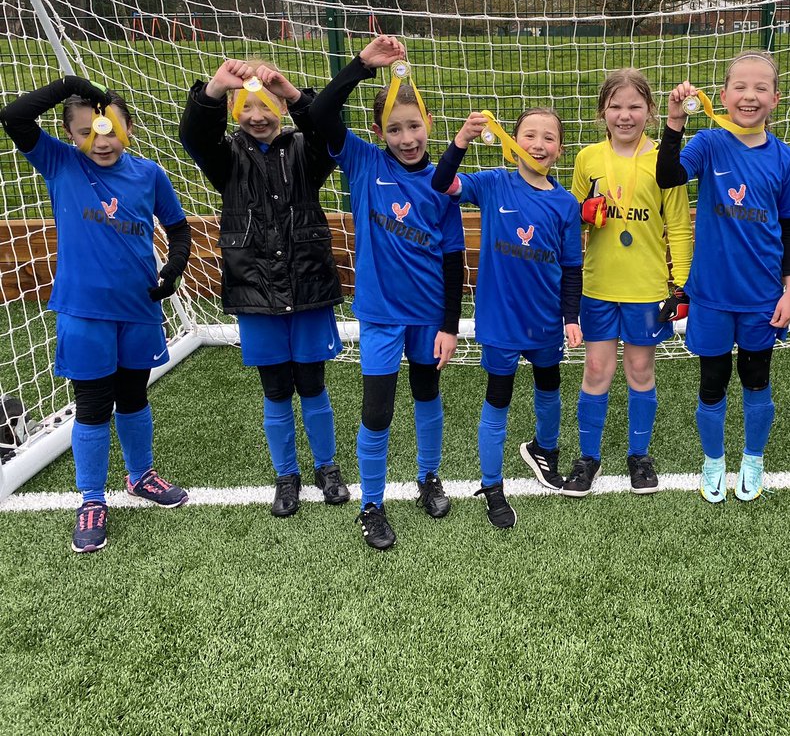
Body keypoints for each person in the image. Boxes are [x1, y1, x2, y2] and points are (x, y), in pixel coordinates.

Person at [1, 77, 192, 553]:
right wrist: (69, 85)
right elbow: (13, 117)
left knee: (132, 398)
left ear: (127, 128)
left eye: (109, 129)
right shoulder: (61, 164)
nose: (100, 141)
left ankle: (141, 475)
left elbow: (179, 228)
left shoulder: (149, 173)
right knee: (92, 407)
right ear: (69, 135)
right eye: (86, 131)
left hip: (139, 310)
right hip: (84, 314)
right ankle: (91, 500)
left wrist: (173, 267)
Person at [307, 37, 465, 550]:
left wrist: (448, 326)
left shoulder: (445, 184)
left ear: (430, 125)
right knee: (377, 411)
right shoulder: (364, 163)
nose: (406, 137)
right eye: (394, 129)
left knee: (427, 396)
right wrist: (360, 66)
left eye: (414, 125)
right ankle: (371, 505)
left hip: (427, 320)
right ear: (378, 133)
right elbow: (321, 112)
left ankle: (428, 478)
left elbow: (453, 261)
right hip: (379, 317)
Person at [179, 59, 349, 518]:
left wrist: (294, 93)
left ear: (280, 109)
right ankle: (286, 474)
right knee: (275, 389)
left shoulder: (305, 152)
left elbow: (329, 131)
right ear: (235, 110)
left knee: (312, 384)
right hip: (255, 292)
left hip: (309, 286)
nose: (258, 115)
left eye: (267, 105)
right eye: (247, 106)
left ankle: (327, 467)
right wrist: (214, 87)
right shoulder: (225, 157)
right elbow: (193, 136)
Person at [656, 50, 790, 503]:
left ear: (775, 99)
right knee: (713, 381)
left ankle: (753, 461)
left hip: (762, 296)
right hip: (713, 296)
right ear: (722, 95)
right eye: (740, 86)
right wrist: (674, 122)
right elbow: (667, 176)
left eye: (761, 88)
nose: (749, 95)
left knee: (757, 380)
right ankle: (714, 461)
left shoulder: (785, 158)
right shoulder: (710, 143)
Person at [432, 107, 583, 529]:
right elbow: (441, 183)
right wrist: (461, 140)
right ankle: (492, 486)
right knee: (497, 399)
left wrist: (571, 316)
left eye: (548, 137)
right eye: (529, 135)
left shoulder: (565, 204)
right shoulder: (494, 184)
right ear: (511, 142)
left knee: (549, 389)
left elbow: (572, 267)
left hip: (546, 322)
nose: (538, 144)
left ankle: (544, 450)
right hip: (501, 323)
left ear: (560, 149)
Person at [561, 68, 693, 497]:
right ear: (602, 112)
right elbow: (572, 218)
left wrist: (682, 284)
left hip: (646, 289)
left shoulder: (664, 159)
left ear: (651, 112)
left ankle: (639, 456)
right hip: (599, 287)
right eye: (615, 106)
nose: (625, 115)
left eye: (635, 106)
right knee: (596, 369)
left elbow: (678, 225)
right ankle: (588, 458)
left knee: (640, 369)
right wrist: (583, 211)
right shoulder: (588, 158)